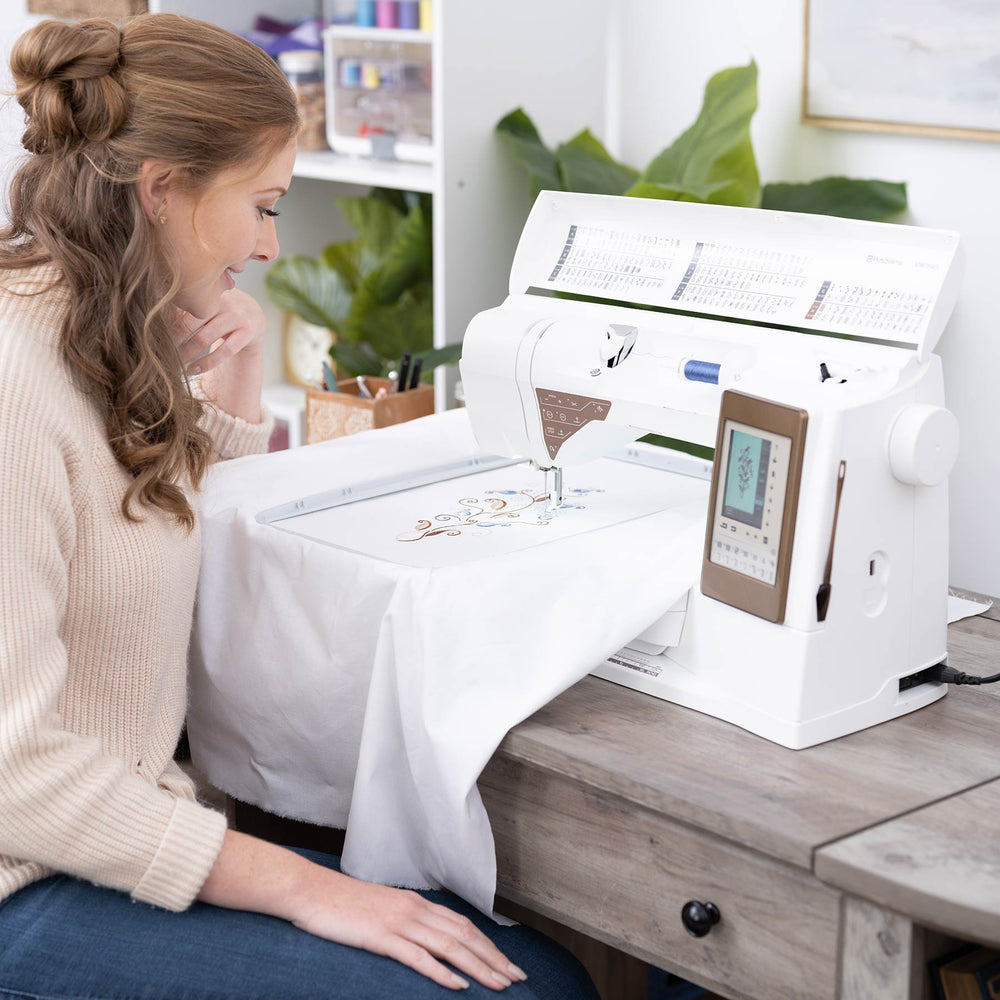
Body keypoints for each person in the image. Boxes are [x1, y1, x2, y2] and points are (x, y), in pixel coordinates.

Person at [0, 15, 600, 1000]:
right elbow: (12, 771)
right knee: (519, 993)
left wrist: (230, 385)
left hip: (104, 839)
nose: (273, 246)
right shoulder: (17, 382)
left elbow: (139, 546)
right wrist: (304, 888)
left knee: (536, 970)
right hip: (25, 883)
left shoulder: (95, 335)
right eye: (263, 206)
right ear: (162, 192)